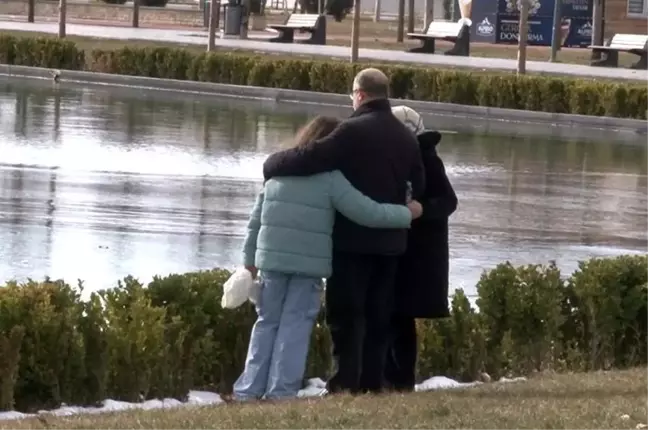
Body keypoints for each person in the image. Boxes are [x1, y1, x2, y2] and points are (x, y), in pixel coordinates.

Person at [234, 115, 424, 402]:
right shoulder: (331, 180)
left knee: (265, 324)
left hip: (270, 263)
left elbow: (254, 223)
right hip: (307, 267)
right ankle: (281, 392)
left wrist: (249, 264)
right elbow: (368, 212)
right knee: (295, 327)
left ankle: (248, 391)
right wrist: (407, 213)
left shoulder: (278, 172)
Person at [384, 105, 458, 392]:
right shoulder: (394, 156)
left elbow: (448, 201)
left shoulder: (428, 159)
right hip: (398, 249)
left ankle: (401, 381)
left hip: (417, 255)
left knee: (400, 316)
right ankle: (388, 378)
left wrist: (421, 209)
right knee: (390, 315)